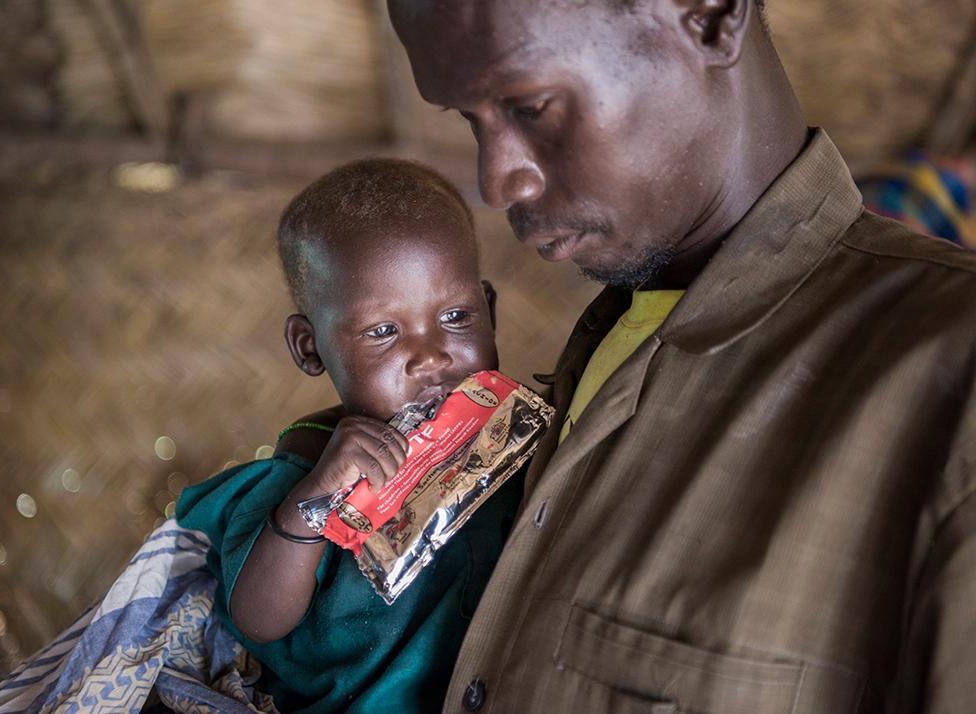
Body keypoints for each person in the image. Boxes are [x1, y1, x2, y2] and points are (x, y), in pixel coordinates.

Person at [386, 0, 976, 711]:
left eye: (531, 105)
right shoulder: (599, 354)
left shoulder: (952, 372)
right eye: (467, 120)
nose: (497, 181)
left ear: (709, 16)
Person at [175, 158, 522, 713]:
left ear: (491, 309)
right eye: (384, 331)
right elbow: (260, 621)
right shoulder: (300, 477)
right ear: (310, 347)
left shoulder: (517, 444)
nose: (432, 355)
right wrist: (312, 503)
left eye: (457, 316)